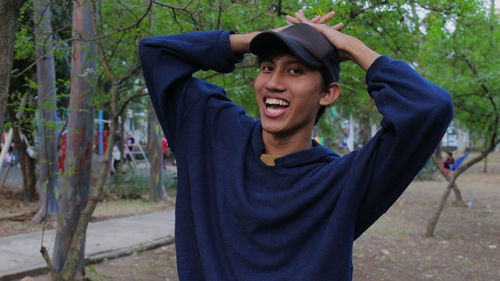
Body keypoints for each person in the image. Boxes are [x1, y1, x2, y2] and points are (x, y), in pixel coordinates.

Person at [139, 10, 453, 281]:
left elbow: (429, 107)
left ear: (328, 93)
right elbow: (157, 54)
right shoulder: (211, 133)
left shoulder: (344, 183)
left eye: (295, 70)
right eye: (266, 67)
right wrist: (256, 39)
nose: (274, 82)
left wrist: (352, 47)